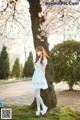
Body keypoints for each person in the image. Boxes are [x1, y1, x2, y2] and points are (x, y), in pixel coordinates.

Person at [32, 46, 49, 116]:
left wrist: (43, 79)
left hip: (40, 78)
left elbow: (43, 70)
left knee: (36, 94)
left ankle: (44, 106)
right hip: (36, 77)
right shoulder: (38, 59)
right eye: (36, 51)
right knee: (37, 94)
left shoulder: (44, 59)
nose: (37, 52)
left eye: (38, 51)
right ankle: (38, 110)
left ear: (41, 51)